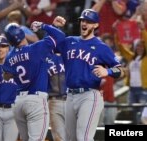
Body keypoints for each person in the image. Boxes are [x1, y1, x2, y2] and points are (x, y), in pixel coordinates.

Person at [53, 9, 125, 141]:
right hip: (70, 96)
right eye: (83, 20)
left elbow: (121, 70)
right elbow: (49, 45)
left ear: (95, 25)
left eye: (89, 21)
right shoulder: (69, 41)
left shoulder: (101, 47)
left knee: (84, 138)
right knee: (71, 138)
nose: (84, 23)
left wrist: (107, 71)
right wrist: (54, 27)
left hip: (89, 95)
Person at [2, 21, 65, 141]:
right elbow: (60, 36)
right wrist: (44, 26)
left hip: (18, 102)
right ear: (22, 33)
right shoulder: (36, 48)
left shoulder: (9, 57)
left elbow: (6, 76)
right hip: (35, 100)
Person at [46, 53, 67, 141]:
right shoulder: (44, 58)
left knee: (76, 136)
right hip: (53, 101)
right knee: (59, 138)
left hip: (72, 99)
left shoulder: (70, 54)